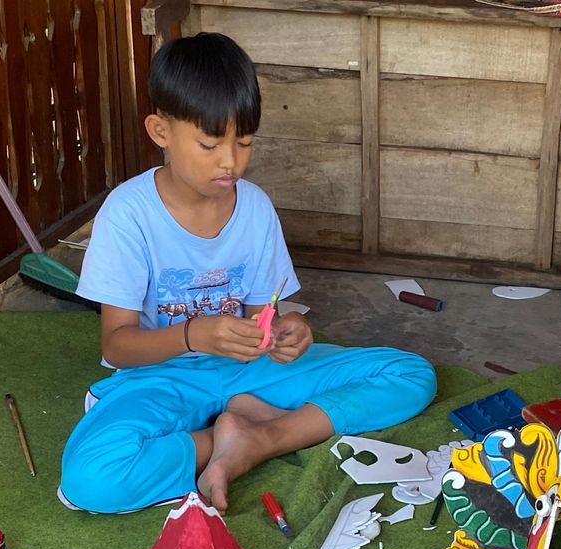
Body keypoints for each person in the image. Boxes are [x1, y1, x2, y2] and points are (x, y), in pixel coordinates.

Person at [59, 32, 436, 514]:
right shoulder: (129, 214)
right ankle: (222, 438)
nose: (231, 162)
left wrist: (285, 333)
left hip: (246, 372)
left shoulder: (254, 208)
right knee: (93, 479)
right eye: (210, 144)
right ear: (160, 131)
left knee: (409, 373)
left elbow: (263, 316)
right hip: (162, 377)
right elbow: (117, 345)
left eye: (245, 143)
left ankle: (262, 438)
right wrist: (195, 336)